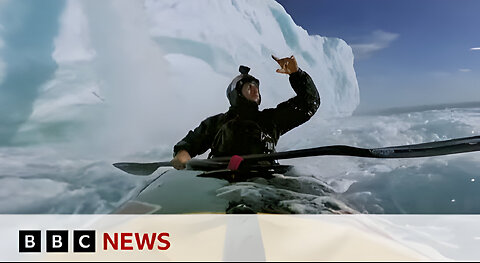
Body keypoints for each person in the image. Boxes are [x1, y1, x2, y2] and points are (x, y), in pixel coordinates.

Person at [171, 55, 320, 170]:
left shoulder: (271, 120)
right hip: (222, 179)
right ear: (236, 94)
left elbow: (309, 103)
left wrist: (296, 74)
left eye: (257, 87)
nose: (255, 90)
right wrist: (182, 153)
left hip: (264, 180)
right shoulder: (217, 123)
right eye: (249, 87)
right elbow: (192, 142)